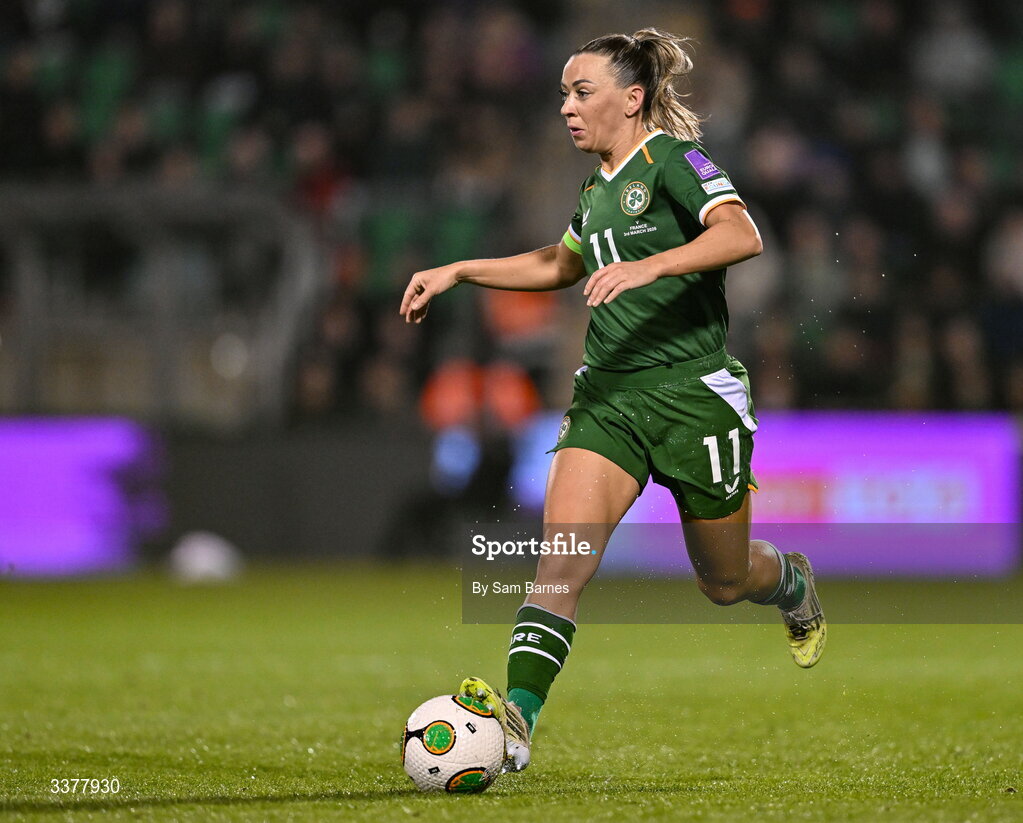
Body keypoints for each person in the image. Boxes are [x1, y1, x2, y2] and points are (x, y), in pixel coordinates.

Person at [399, 27, 825, 773]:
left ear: (631, 99)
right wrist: (459, 269)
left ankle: (787, 579)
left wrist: (650, 265)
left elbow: (741, 234)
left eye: (581, 91)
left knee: (723, 581)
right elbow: (561, 261)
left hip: (693, 399)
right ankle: (516, 720)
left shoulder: (673, 163)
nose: (566, 106)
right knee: (558, 562)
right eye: (563, 92)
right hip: (609, 397)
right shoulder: (596, 187)